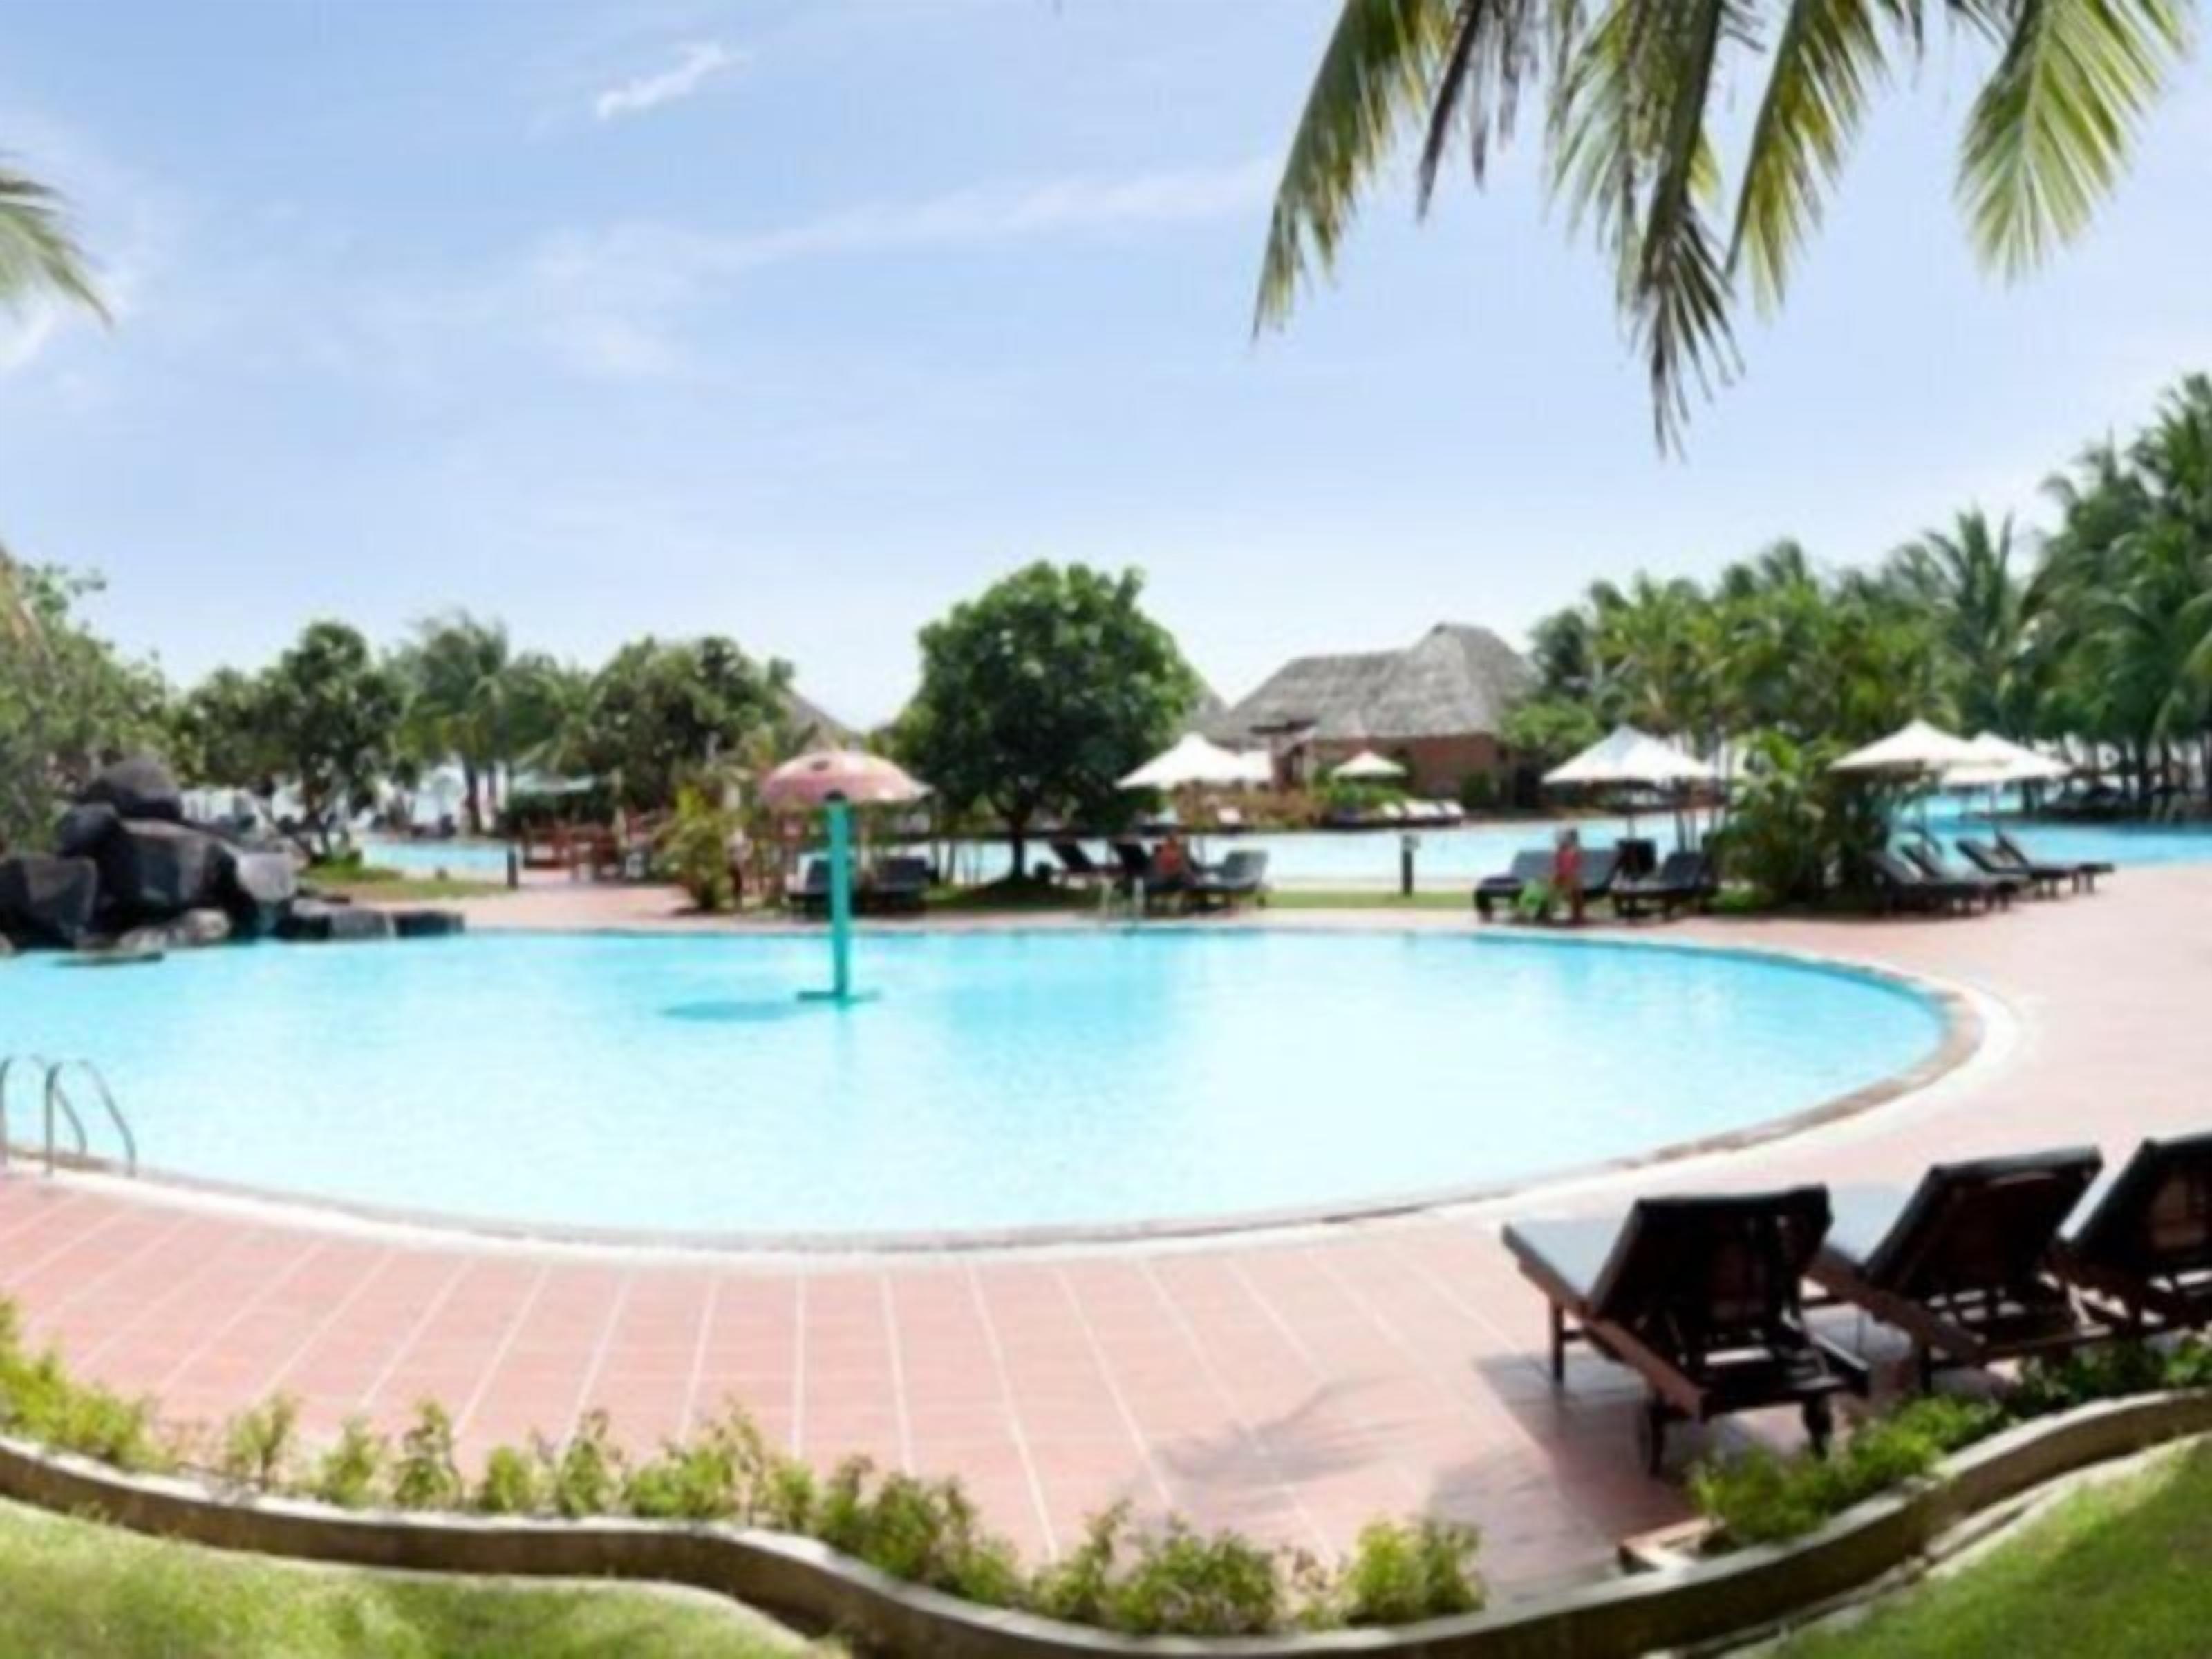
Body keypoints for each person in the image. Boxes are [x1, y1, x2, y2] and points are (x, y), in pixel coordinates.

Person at [1553, 827, 1585, 926]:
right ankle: (1575, 914)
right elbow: (1558, 865)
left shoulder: (1574, 851)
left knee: (1574, 887)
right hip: (1564, 875)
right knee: (1570, 885)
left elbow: (1576, 864)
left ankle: (1577, 915)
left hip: (1571, 876)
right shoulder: (1560, 851)